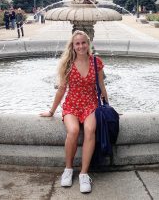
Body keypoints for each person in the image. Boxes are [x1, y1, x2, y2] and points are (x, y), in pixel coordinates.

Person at [40, 30, 108, 194]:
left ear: (88, 43)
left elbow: (101, 87)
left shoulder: (96, 62)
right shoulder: (68, 64)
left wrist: (108, 106)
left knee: (90, 130)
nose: (81, 46)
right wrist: (51, 111)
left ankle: (84, 174)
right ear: (73, 46)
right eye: (77, 43)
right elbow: (62, 89)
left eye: (83, 42)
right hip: (72, 104)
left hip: (91, 104)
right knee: (73, 130)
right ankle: (68, 169)